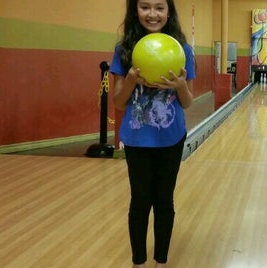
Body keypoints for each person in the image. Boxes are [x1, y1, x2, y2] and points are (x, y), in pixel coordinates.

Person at [110, 0, 195, 267]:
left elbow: (187, 101)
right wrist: (132, 80)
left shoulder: (183, 50)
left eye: (159, 7)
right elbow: (119, 102)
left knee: (164, 200)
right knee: (140, 200)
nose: (152, 14)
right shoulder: (124, 50)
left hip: (171, 136)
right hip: (136, 137)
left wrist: (180, 85)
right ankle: (138, 262)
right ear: (135, 10)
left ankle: (161, 261)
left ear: (169, 12)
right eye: (145, 7)